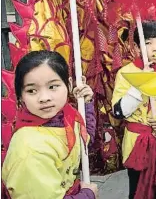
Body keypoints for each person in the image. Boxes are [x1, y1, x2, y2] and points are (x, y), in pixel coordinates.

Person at [2, 50, 98, 199]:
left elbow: (84, 142)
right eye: (32, 90)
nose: (44, 98)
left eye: (53, 87)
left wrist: (85, 105)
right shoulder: (29, 150)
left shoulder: (65, 117)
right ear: (21, 97)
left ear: (69, 84)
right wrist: (87, 195)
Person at [112, 20, 156, 199]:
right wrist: (140, 83)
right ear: (137, 48)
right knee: (137, 190)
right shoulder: (125, 74)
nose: (155, 48)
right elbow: (119, 112)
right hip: (136, 147)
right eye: (148, 43)